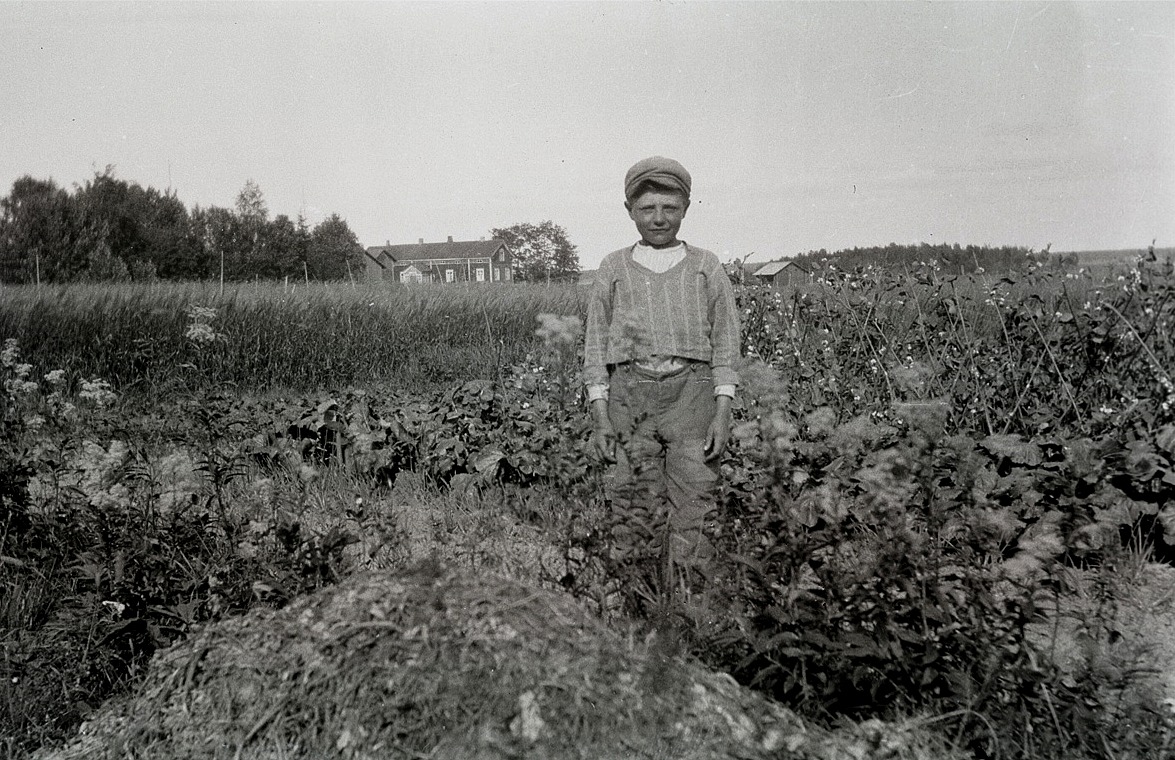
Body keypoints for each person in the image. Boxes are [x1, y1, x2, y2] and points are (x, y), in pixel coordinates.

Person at [583, 155, 741, 572]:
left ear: (686, 208)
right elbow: (596, 346)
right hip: (629, 399)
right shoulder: (613, 267)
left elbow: (726, 342)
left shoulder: (705, 265)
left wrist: (723, 414)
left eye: (670, 208)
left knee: (697, 508)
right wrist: (601, 420)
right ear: (629, 211)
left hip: (692, 396)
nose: (658, 219)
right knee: (634, 511)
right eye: (647, 208)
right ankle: (639, 613)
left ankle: (692, 616)